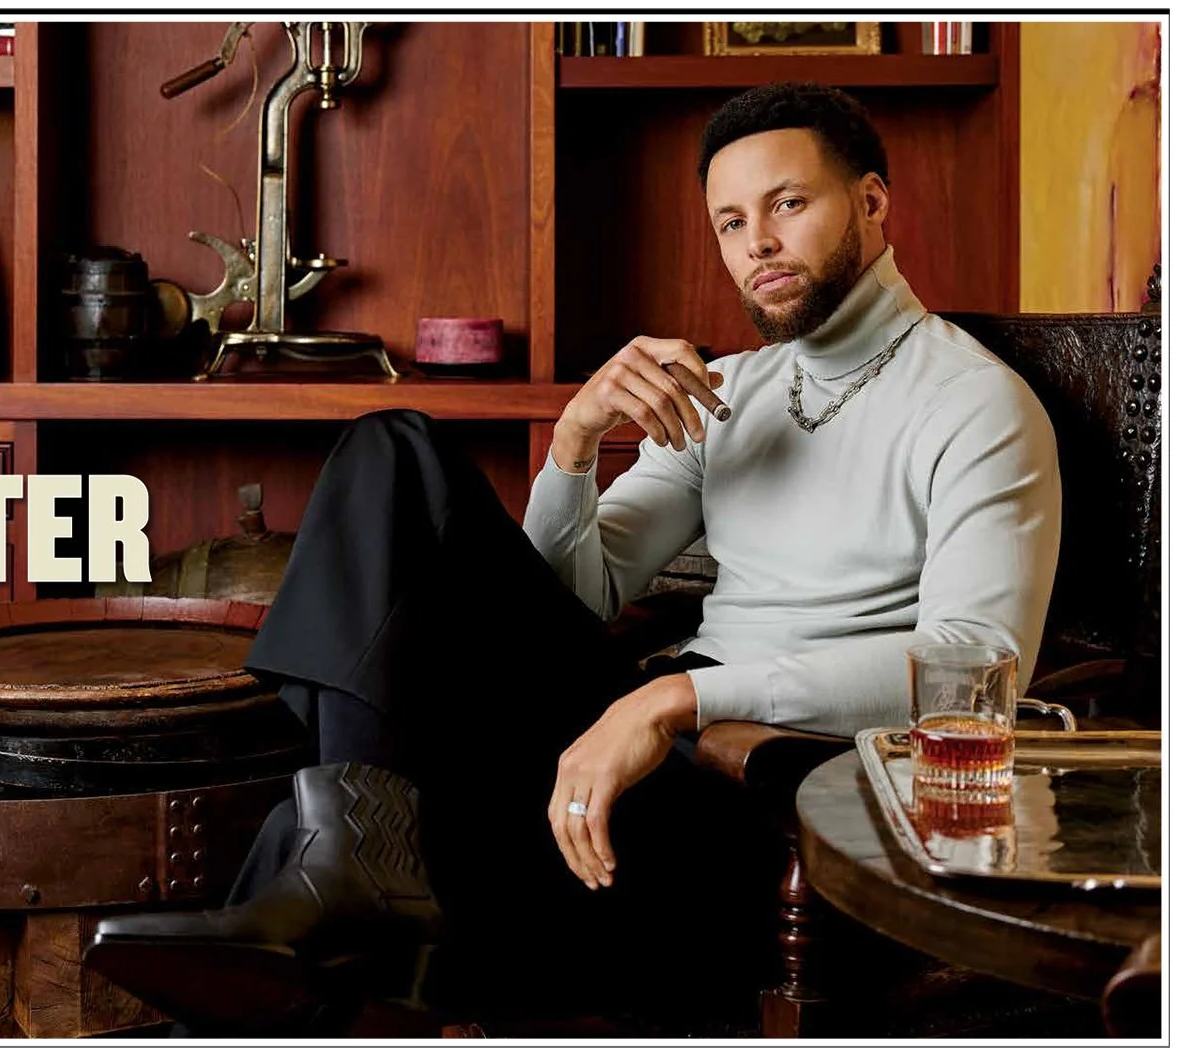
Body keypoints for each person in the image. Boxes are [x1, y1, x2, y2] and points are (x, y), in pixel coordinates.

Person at [84, 81, 1062, 1035]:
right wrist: (578, 439)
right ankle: (350, 868)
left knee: (350, 891)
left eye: (788, 204)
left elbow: (977, 668)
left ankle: (322, 915)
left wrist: (677, 699)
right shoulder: (726, 391)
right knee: (393, 447)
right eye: (728, 222)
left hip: (756, 802)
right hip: (617, 757)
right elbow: (570, 600)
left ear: (874, 201)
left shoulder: (975, 405)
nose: (756, 243)